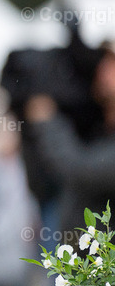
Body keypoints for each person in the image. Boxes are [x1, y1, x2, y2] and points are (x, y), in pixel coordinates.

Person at [24, 40, 115, 236]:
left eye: (111, 64)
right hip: (80, 257)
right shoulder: (97, 125)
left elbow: (79, 169)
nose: (102, 71)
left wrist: (47, 120)